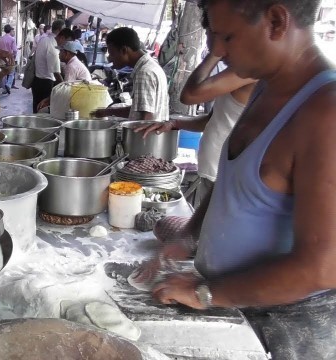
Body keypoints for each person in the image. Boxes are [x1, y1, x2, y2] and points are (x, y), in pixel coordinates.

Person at [140, 0, 336, 358]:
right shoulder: (264, 86)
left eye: (226, 35)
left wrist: (207, 293)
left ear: (276, 21)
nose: (215, 50)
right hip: (236, 306)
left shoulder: (325, 114)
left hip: (287, 330)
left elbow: (322, 268)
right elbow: (234, 187)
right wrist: (192, 234)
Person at [135, 12, 256, 207]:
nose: (210, 45)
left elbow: (190, 95)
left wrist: (214, 54)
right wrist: (174, 123)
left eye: (212, 36)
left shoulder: (248, 71)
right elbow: (212, 120)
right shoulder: (237, 71)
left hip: (225, 177)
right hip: (213, 173)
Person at [91, 27, 169, 121]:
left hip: (146, 134)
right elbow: (139, 110)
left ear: (124, 50)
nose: (109, 59)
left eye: (112, 54)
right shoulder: (150, 66)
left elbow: (147, 117)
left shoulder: (144, 72)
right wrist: (107, 112)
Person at [32, 20, 65, 113]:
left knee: (37, 111)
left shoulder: (44, 39)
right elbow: (56, 72)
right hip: (45, 83)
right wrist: (64, 86)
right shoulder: (51, 45)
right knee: (43, 113)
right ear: (59, 30)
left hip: (38, 80)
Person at [0, 24, 19, 94]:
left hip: (1, 58)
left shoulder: (0, 38)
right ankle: (8, 85)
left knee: (3, 73)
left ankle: (4, 88)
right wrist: (14, 57)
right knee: (11, 73)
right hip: (10, 58)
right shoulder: (12, 39)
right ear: (10, 30)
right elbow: (15, 50)